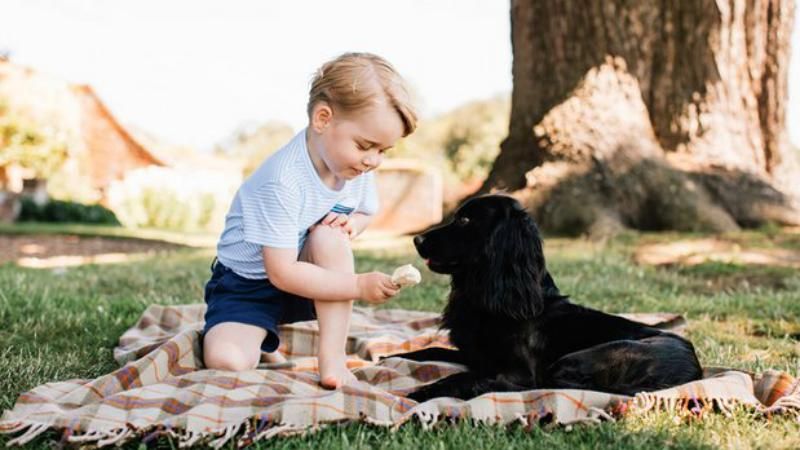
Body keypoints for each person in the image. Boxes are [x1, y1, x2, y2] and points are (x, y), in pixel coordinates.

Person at [201, 52, 418, 389]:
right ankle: (249, 331)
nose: (373, 160)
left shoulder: (354, 167)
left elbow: (363, 212)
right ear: (322, 118)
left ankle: (332, 362)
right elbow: (281, 272)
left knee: (330, 238)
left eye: (383, 151)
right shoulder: (282, 180)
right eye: (366, 145)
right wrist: (359, 285)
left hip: (310, 276)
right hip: (249, 285)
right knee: (227, 362)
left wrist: (351, 226)